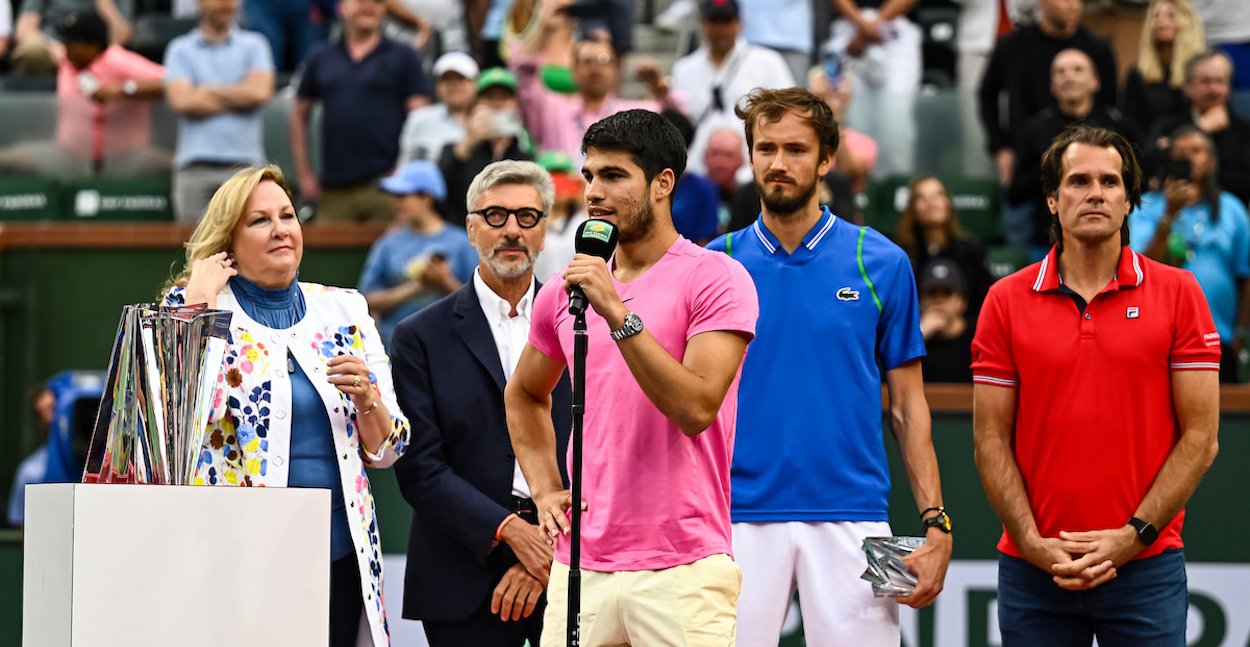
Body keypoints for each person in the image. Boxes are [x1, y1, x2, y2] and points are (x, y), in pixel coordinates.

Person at [505, 109, 759, 647]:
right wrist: (546, 486)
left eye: (614, 175)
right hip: (580, 566)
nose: (593, 191)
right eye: (590, 174)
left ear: (663, 183)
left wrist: (618, 312)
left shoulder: (716, 277)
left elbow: (695, 408)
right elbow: (524, 394)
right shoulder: (565, 289)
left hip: (683, 567)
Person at [706, 87, 950, 646]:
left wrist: (936, 522)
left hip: (857, 514)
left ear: (825, 161)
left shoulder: (882, 261)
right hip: (731, 516)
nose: (778, 162)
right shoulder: (713, 263)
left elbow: (909, 407)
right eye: (765, 148)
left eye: (795, 149)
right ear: (750, 158)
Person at [972, 125, 1220, 646]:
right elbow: (990, 439)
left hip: (1146, 565)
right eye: (1079, 181)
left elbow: (1201, 438)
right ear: (1052, 199)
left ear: (1130, 201)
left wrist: (1133, 537)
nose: (1095, 193)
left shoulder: (1179, 292)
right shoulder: (1004, 299)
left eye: (1110, 182)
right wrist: (1032, 543)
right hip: (1033, 570)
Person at [163, 165, 411, 647]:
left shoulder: (346, 309)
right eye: (260, 220)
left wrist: (368, 400)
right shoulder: (195, 306)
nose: (281, 229)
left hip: (340, 553)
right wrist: (198, 298)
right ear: (228, 241)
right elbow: (176, 421)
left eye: (288, 215)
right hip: (233, 559)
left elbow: (389, 450)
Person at [391, 160, 572, 647]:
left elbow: (605, 450)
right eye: (495, 216)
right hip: (462, 569)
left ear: (545, 230)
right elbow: (420, 468)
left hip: (573, 566)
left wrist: (546, 554)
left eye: (527, 218)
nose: (512, 230)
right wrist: (513, 533)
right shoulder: (418, 336)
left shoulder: (583, 325)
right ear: (471, 229)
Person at [980, 0, 1117, 246]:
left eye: (1078, 1)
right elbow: (986, 95)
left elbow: (1109, 107)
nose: (1074, 6)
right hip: (1029, 164)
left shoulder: (1096, 48)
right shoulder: (1013, 45)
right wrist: (1000, 146)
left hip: (1089, 167)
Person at [1129, 125, 1250, 383]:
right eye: (1180, 152)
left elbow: (1245, 276)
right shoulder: (1147, 207)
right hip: (1157, 339)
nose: (1188, 158)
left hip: (1218, 337)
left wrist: (1240, 332)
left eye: (1196, 151)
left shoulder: (1231, 209)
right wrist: (1169, 214)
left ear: (1212, 160)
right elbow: (1139, 268)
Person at [291, 0, 430, 221]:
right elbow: (299, 114)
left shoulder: (404, 56)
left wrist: (404, 168)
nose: (369, 6)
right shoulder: (320, 57)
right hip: (334, 190)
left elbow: (420, 118)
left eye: (376, 1)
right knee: (327, 255)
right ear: (341, 7)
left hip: (388, 186)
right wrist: (304, 174)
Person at [0, 11, 167, 179]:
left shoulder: (118, 60)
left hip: (127, 157)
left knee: (175, 166)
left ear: (92, 45)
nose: (65, 44)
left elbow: (172, 81)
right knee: (7, 160)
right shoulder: (67, 60)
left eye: (72, 41)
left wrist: (123, 88)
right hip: (70, 155)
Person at [509, 0, 680, 162]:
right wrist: (544, 29)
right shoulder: (552, 110)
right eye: (587, 61)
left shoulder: (631, 114)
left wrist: (658, 86)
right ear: (574, 69)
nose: (595, 68)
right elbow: (522, 78)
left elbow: (679, 124)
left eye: (604, 60)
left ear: (616, 68)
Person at [1008, 49, 1137, 256]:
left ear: (1095, 82)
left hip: (1112, 240)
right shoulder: (1035, 129)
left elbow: (1139, 183)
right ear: (1052, 86)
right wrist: (1047, 170)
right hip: (1048, 242)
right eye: (1060, 72)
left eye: (1077, 70)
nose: (1068, 76)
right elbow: (1015, 194)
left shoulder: (1117, 125)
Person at [164, 0, 276, 224]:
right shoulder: (180, 48)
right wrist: (240, 94)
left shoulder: (256, 44)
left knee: (252, 248)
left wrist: (205, 90)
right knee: (194, 252)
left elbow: (260, 93)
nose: (227, 3)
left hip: (246, 168)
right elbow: (181, 100)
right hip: (194, 170)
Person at [359, 160, 479, 349]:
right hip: (398, 349)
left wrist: (444, 282)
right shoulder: (387, 243)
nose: (395, 203)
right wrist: (414, 288)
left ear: (427, 198)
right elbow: (365, 299)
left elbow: (480, 303)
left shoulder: (463, 242)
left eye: (402, 195)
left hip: (451, 348)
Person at [1147, 50, 1250, 206]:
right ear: (1188, 86)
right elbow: (1148, 169)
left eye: (1220, 81)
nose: (1213, 89)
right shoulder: (1167, 126)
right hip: (1173, 211)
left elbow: (1243, 184)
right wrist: (1199, 129)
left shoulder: (1245, 130)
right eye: (1205, 82)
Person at [669, 0, 794, 127]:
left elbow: (788, 107)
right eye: (715, 21)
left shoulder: (768, 62)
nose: (721, 29)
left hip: (751, 144)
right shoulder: (684, 68)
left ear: (739, 23)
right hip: (700, 145)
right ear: (703, 23)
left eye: (726, 21)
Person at [439, 67, 535, 224]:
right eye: (489, 98)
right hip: (464, 234)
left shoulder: (527, 156)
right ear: (475, 105)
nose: (497, 104)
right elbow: (438, 193)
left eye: (504, 98)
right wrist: (469, 142)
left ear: (516, 105)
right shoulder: (456, 150)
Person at [894, 174, 992, 315]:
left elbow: (984, 306)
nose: (931, 203)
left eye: (937, 196)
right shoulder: (902, 255)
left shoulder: (972, 252)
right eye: (922, 198)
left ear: (948, 203)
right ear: (912, 208)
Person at [1123, 0, 1205, 140]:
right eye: (1156, 16)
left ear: (1187, 22)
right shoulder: (1138, 74)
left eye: (1170, 15)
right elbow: (1131, 124)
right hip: (1148, 151)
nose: (1161, 20)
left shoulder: (1202, 72)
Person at [398, 52, 480, 166]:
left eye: (460, 78)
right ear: (437, 86)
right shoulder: (419, 119)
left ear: (475, 83)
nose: (454, 85)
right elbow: (406, 166)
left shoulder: (490, 119)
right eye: (446, 79)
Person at [12, 0, 130, 74]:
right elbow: (24, 30)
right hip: (51, 48)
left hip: (93, 53)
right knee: (31, 51)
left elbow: (120, 39)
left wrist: (105, 4)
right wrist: (58, 50)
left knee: (118, 58)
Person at [531, 150, 587, 281]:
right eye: (553, 179)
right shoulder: (527, 223)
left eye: (565, 179)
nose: (559, 188)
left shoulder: (583, 222)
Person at [6, 384, 55, 529]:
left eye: (52, 408)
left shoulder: (106, 464)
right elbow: (20, 522)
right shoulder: (30, 472)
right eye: (41, 414)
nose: (49, 418)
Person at [918, 259, 974, 383]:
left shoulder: (977, 337)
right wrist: (919, 336)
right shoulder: (914, 340)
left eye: (946, 293)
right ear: (920, 301)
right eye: (932, 293)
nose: (938, 301)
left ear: (962, 302)